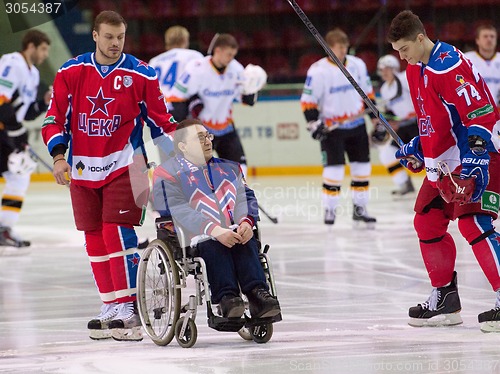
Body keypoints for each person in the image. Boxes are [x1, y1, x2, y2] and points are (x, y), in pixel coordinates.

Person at [42, 10, 177, 341]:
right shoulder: (72, 72)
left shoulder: (142, 75)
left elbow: (163, 120)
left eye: (120, 37)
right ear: (95, 36)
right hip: (82, 167)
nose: (115, 43)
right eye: (109, 37)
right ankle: (110, 305)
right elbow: (53, 119)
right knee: (93, 237)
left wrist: (189, 145)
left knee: (118, 232)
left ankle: (129, 308)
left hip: (128, 165)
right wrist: (58, 156)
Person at [388, 10, 500, 332]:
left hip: (479, 154)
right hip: (446, 164)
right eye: (397, 51)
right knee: (427, 220)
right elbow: (433, 122)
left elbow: (479, 112)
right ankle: (446, 299)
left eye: (405, 49)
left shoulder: (449, 64)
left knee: (473, 222)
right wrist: (418, 148)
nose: (402, 57)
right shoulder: (415, 69)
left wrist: (476, 161)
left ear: (420, 38)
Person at [152, 118, 281, 319]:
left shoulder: (230, 168)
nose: (207, 141)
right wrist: (214, 230)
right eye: (200, 138)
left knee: (245, 240)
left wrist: (247, 222)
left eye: (208, 136)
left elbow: (246, 197)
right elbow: (176, 209)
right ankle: (227, 298)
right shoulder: (166, 173)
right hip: (196, 236)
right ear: (183, 146)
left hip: (232, 229)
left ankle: (258, 295)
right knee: (213, 243)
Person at [300, 28, 377, 227]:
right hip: (332, 129)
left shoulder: (357, 65)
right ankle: (330, 209)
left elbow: (368, 94)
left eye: (345, 48)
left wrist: (376, 121)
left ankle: (360, 208)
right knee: (333, 171)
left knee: (362, 168)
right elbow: (308, 101)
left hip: (357, 126)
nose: (343, 52)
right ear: (328, 49)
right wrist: (313, 123)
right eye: (339, 49)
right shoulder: (318, 71)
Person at [165, 33, 267, 178]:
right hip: (202, 130)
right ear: (218, 51)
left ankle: (238, 199)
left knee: (240, 167)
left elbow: (245, 100)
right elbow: (176, 97)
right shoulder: (197, 69)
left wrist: (252, 91)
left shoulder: (236, 70)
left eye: (233, 55)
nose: (231, 58)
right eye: (229, 54)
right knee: (197, 172)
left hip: (226, 127)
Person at [0, 30, 51, 252]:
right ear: (31, 46)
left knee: (19, 176)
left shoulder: (34, 74)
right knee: (17, 175)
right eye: (43, 49)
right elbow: (2, 98)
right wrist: (15, 131)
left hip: (7, 132)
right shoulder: (13, 63)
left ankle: (4, 229)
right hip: (4, 130)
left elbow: (26, 112)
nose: (45, 55)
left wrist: (43, 103)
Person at [148, 25, 203, 162]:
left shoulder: (154, 61)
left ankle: (169, 182)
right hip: (182, 107)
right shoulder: (194, 56)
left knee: (168, 158)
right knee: (192, 155)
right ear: (185, 40)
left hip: (160, 111)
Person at [373, 54, 419, 196]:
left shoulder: (405, 78)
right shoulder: (385, 89)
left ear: (394, 68)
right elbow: (391, 112)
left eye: (387, 68)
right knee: (387, 153)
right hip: (404, 126)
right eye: (382, 69)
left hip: (419, 123)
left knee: (430, 154)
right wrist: (388, 122)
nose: (384, 72)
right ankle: (404, 183)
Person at [464, 24, 500, 107]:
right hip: (476, 111)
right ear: (477, 40)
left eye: (492, 36)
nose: (489, 39)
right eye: (485, 36)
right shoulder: (467, 59)